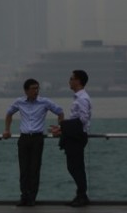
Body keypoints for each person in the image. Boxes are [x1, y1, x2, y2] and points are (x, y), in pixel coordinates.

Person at [4, 78, 63, 207]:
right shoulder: (19, 102)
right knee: (24, 169)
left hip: (37, 138)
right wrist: (7, 130)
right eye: (33, 89)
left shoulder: (44, 102)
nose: (36, 91)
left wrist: (60, 128)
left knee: (34, 169)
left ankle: (32, 198)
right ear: (26, 90)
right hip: (24, 138)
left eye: (37, 88)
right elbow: (9, 114)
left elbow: (60, 112)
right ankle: (24, 196)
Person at [51, 69, 91, 207]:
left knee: (76, 167)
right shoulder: (79, 98)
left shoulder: (82, 99)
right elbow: (77, 120)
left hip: (77, 137)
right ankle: (81, 195)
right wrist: (62, 128)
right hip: (74, 135)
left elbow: (83, 119)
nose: (69, 81)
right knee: (74, 167)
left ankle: (82, 195)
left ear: (78, 81)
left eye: (71, 78)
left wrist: (64, 125)